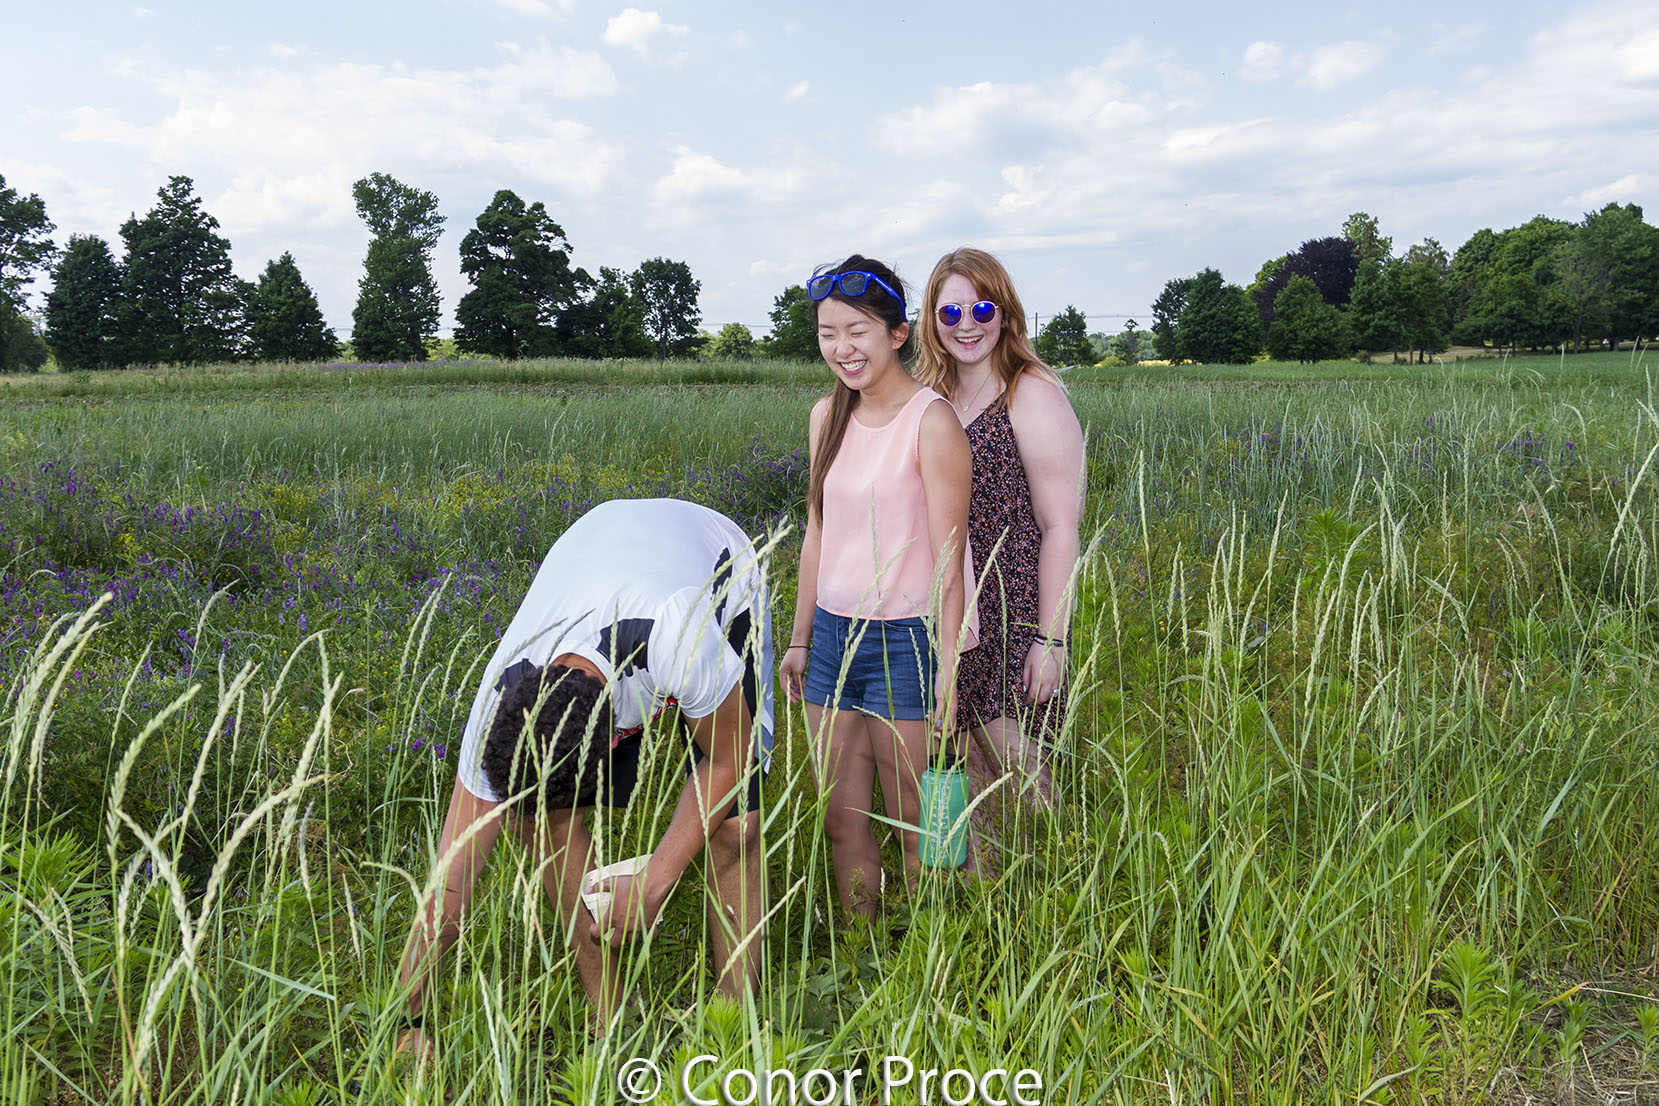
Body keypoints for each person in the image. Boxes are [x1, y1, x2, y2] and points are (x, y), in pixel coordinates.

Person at [395, 497, 774, 1055]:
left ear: (616, 741)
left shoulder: (677, 634)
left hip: (720, 575)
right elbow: (453, 876)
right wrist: (408, 1021)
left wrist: (654, 882)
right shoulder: (499, 703)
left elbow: (728, 760)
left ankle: (735, 1022)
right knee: (542, 826)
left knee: (735, 828)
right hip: (601, 552)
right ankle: (615, 1022)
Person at [778, 255, 973, 920]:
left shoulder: (931, 421)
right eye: (828, 333)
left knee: (921, 828)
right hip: (833, 640)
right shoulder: (825, 416)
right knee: (842, 820)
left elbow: (949, 559)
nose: (842, 348)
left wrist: (948, 668)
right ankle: (863, 954)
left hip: (907, 643)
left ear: (897, 334)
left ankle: (930, 960)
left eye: (857, 330)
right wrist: (800, 639)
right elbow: (817, 532)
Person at [915, 247, 1085, 861]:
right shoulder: (930, 397)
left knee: (1021, 767)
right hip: (952, 611)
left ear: (1006, 314)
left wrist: (1052, 638)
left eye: (982, 309)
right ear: (931, 319)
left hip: (1015, 609)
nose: (967, 324)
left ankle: (1061, 883)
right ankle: (987, 902)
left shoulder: (1029, 393)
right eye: (951, 311)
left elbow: (1061, 526)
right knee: (964, 768)